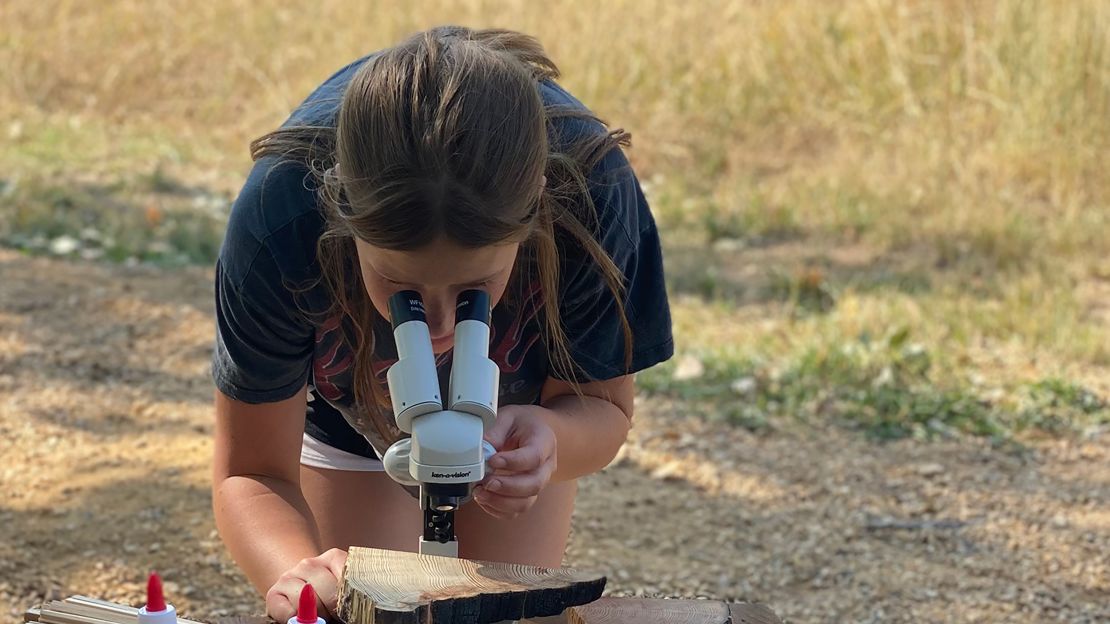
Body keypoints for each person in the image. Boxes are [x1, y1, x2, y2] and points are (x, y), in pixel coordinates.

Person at [210, 25, 673, 621]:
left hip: (509, 421)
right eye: (400, 289)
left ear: (538, 202)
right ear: (339, 207)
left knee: (505, 613)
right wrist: (302, 577)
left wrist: (551, 439)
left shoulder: (592, 196)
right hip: (352, 413)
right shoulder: (281, 214)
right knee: (360, 609)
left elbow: (604, 410)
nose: (437, 325)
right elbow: (253, 470)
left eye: (475, 290)